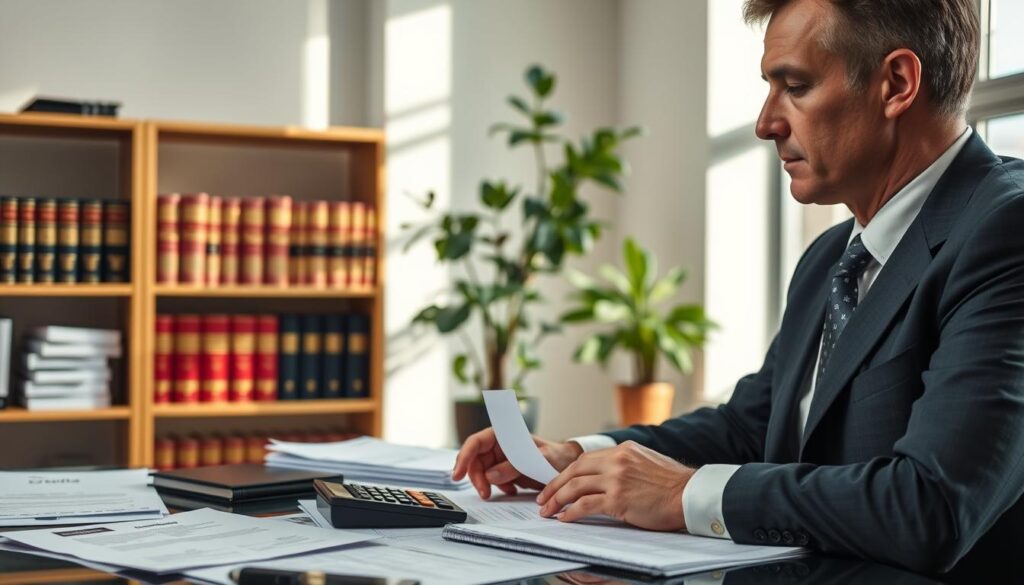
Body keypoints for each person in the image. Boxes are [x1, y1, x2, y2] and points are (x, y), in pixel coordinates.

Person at [452, 0, 1024, 576]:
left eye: (794, 86)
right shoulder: (831, 257)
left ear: (896, 84)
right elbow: (749, 426)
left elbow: (933, 505)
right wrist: (578, 459)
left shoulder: (1005, 232)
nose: (765, 123)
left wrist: (685, 496)